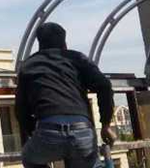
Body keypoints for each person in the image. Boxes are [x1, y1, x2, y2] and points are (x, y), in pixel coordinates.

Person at [15, 22, 117, 168]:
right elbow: (105, 86)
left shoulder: (29, 65)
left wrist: (34, 131)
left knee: (29, 158)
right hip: (82, 132)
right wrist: (105, 124)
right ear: (64, 43)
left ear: (40, 43)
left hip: (48, 131)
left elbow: (20, 109)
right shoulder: (77, 59)